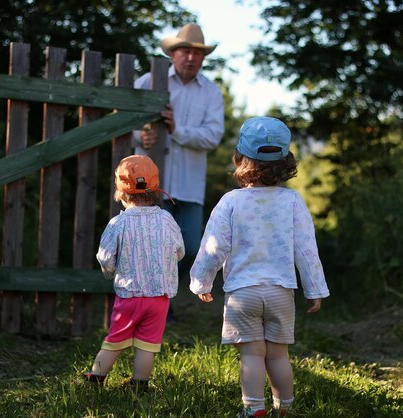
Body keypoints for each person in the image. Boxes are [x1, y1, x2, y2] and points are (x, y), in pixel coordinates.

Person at [189, 117, 330, 417]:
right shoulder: (292, 201)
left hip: (243, 294)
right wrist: (315, 288)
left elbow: (214, 246)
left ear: (240, 159)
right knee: (278, 355)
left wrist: (201, 281)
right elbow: (305, 250)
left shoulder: (230, 202)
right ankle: (285, 408)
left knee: (252, 354)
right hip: (281, 291)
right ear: (286, 162)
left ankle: (254, 409)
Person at [132, 23, 224, 290]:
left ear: (204, 57)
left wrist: (177, 130)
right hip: (148, 183)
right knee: (148, 246)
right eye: (185, 51)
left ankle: (165, 294)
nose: (191, 58)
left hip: (190, 185)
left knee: (192, 247)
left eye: (198, 53)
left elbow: (213, 136)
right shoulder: (147, 81)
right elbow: (124, 125)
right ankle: (152, 303)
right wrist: (141, 136)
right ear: (173, 54)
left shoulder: (211, 92)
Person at [84, 155, 185, 389]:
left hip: (129, 295)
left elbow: (105, 257)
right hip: (159, 296)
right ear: (156, 189)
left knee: (116, 340)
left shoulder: (118, 223)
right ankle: (140, 383)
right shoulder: (167, 219)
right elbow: (180, 250)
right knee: (148, 344)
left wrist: (110, 273)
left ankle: (96, 378)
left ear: (120, 191)